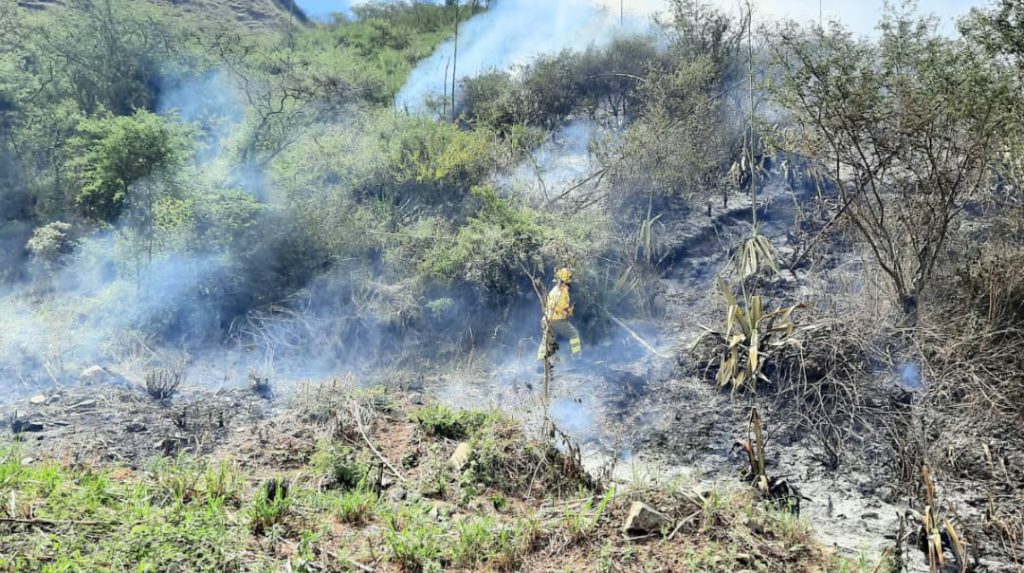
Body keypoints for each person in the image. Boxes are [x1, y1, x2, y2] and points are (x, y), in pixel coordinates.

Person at [537, 267, 581, 363]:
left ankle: (540, 362)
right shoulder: (562, 292)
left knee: (546, 342)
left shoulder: (555, 289)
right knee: (574, 334)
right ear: (566, 279)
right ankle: (577, 358)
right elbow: (563, 307)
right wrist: (570, 310)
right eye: (570, 278)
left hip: (547, 319)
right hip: (556, 320)